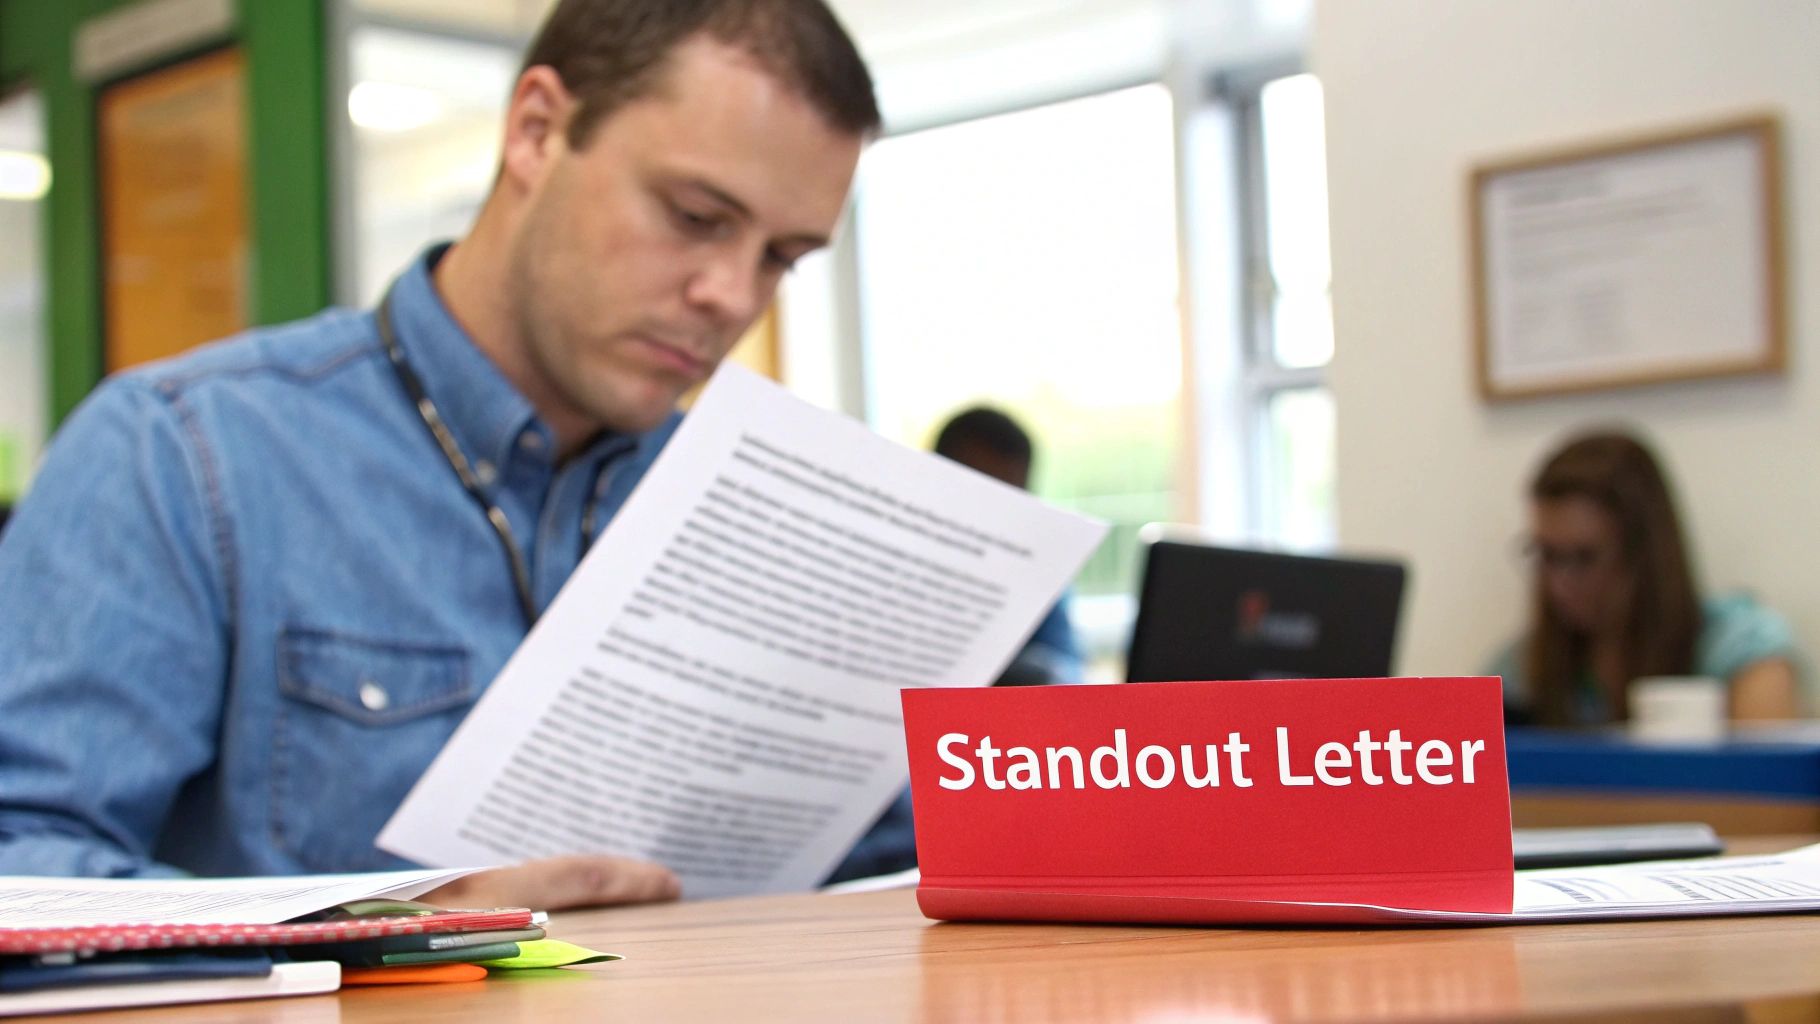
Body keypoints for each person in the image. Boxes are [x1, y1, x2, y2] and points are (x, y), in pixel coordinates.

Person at [0, 0, 878, 912]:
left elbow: (888, 857)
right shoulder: (182, 454)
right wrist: (371, 934)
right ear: (537, 131)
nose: (733, 295)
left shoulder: (753, 514)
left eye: (784, 258)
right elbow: (19, 863)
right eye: (696, 216)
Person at [1489, 431, 1805, 727]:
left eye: (1584, 558)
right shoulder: (1520, 668)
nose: (1558, 582)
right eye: (1547, 555)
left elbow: (1768, 780)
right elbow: (1459, 774)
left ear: (1643, 552)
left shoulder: (1738, 649)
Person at [933, 406, 1082, 684]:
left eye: (1010, 497)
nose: (991, 514)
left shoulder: (1037, 568)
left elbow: (1067, 666)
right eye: (980, 493)